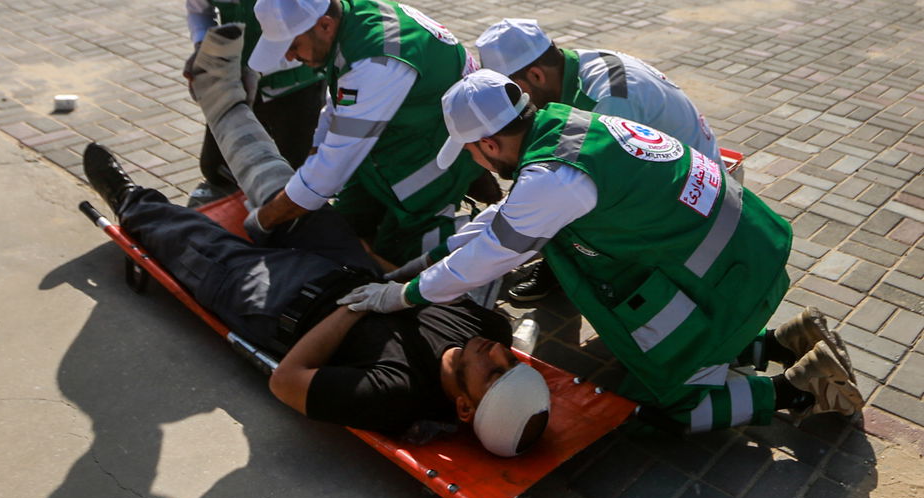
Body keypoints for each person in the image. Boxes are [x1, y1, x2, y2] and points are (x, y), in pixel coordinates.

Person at [80, 23, 550, 455]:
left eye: (494, 371)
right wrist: (373, 266)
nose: (495, 353)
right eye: (508, 361)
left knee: (188, 240)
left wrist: (356, 306)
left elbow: (287, 382)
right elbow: (421, 285)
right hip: (349, 264)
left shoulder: (397, 394)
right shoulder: (488, 333)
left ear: (465, 409)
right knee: (280, 187)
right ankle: (219, 92)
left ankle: (129, 197)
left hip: (283, 302)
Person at [341, 69, 863, 432]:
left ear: (489, 145)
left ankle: (803, 390)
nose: (476, 164)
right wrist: (429, 264)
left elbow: (490, 256)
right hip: (749, 247)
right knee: (648, 342)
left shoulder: (552, 181)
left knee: (668, 404)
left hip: (731, 278)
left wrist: (401, 296)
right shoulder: (567, 126)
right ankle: (781, 341)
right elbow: (497, 225)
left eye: (472, 153)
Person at [245, 0, 500, 269]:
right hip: (401, 133)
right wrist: (315, 154)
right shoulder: (352, 18)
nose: (290, 57)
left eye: (292, 46)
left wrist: (262, 220)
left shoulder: (376, 61)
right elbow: (337, 106)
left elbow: (329, 172)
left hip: (437, 149)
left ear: (324, 26)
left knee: (404, 257)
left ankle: (480, 250)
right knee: (345, 227)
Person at [475, 18, 721, 301]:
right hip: (674, 173)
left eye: (515, 94)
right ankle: (565, 266)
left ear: (536, 76)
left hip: (694, 200)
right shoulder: (573, 67)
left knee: (564, 196)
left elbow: (596, 185)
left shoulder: (607, 100)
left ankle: (592, 277)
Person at [183, 0, 331, 203]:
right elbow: (198, 10)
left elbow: (322, 34)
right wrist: (201, 51)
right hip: (232, 84)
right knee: (218, 167)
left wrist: (264, 69)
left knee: (288, 180)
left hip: (295, 87)